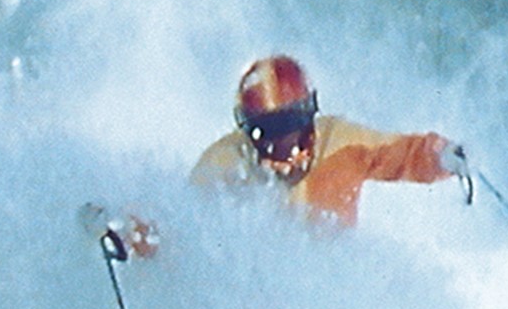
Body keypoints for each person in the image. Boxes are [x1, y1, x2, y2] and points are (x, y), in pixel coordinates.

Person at [98, 54, 469, 258]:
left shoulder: (340, 141)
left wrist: (445, 157)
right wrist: (126, 233)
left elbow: (401, 154)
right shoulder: (227, 162)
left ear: (310, 118)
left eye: (291, 127)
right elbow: (178, 223)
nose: (281, 146)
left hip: (336, 284)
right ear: (247, 131)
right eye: (265, 133)